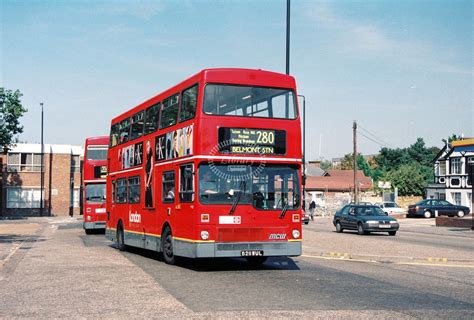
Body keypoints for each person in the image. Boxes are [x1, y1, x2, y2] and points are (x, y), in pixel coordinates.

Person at [145, 141, 153, 207]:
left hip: (150, 180)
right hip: (147, 180)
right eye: (147, 146)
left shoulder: (151, 158)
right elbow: (145, 172)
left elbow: (151, 169)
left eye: (148, 146)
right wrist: (145, 182)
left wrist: (147, 182)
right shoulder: (146, 160)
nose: (147, 148)